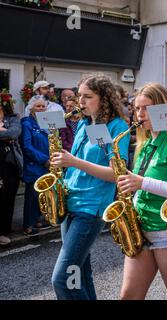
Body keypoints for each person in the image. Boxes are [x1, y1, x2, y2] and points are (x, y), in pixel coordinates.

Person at [50, 74, 130, 300]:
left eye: (88, 96)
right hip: (71, 202)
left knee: (62, 279)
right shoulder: (85, 123)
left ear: (103, 98)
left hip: (90, 207)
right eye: (79, 96)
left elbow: (116, 174)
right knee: (79, 273)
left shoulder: (116, 127)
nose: (80, 102)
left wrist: (74, 162)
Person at [115, 83, 167, 300]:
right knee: (128, 296)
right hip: (141, 229)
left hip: (166, 232)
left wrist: (141, 183)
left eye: (146, 108)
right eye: (136, 108)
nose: (139, 114)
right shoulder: (146, 141)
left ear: (160, 107)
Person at [20, 95, 51, 236]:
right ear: (31, 108)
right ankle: (28, 225)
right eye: (38, 106)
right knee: (31, 196)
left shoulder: (46, 121)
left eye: (43, 106)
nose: (41, 108)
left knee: (41, 195)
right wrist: (44, 159)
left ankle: (38, 220)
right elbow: (27, 146)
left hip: (46, 164)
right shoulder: (26, 123)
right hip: (34, 164)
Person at [0, 90, 22, 245]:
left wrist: (6, 132)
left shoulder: (12, 119)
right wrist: (3, 133)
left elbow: (14, 133)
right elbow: (7, 135)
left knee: (7, 199)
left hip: (9, 165)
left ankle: (3, 231)